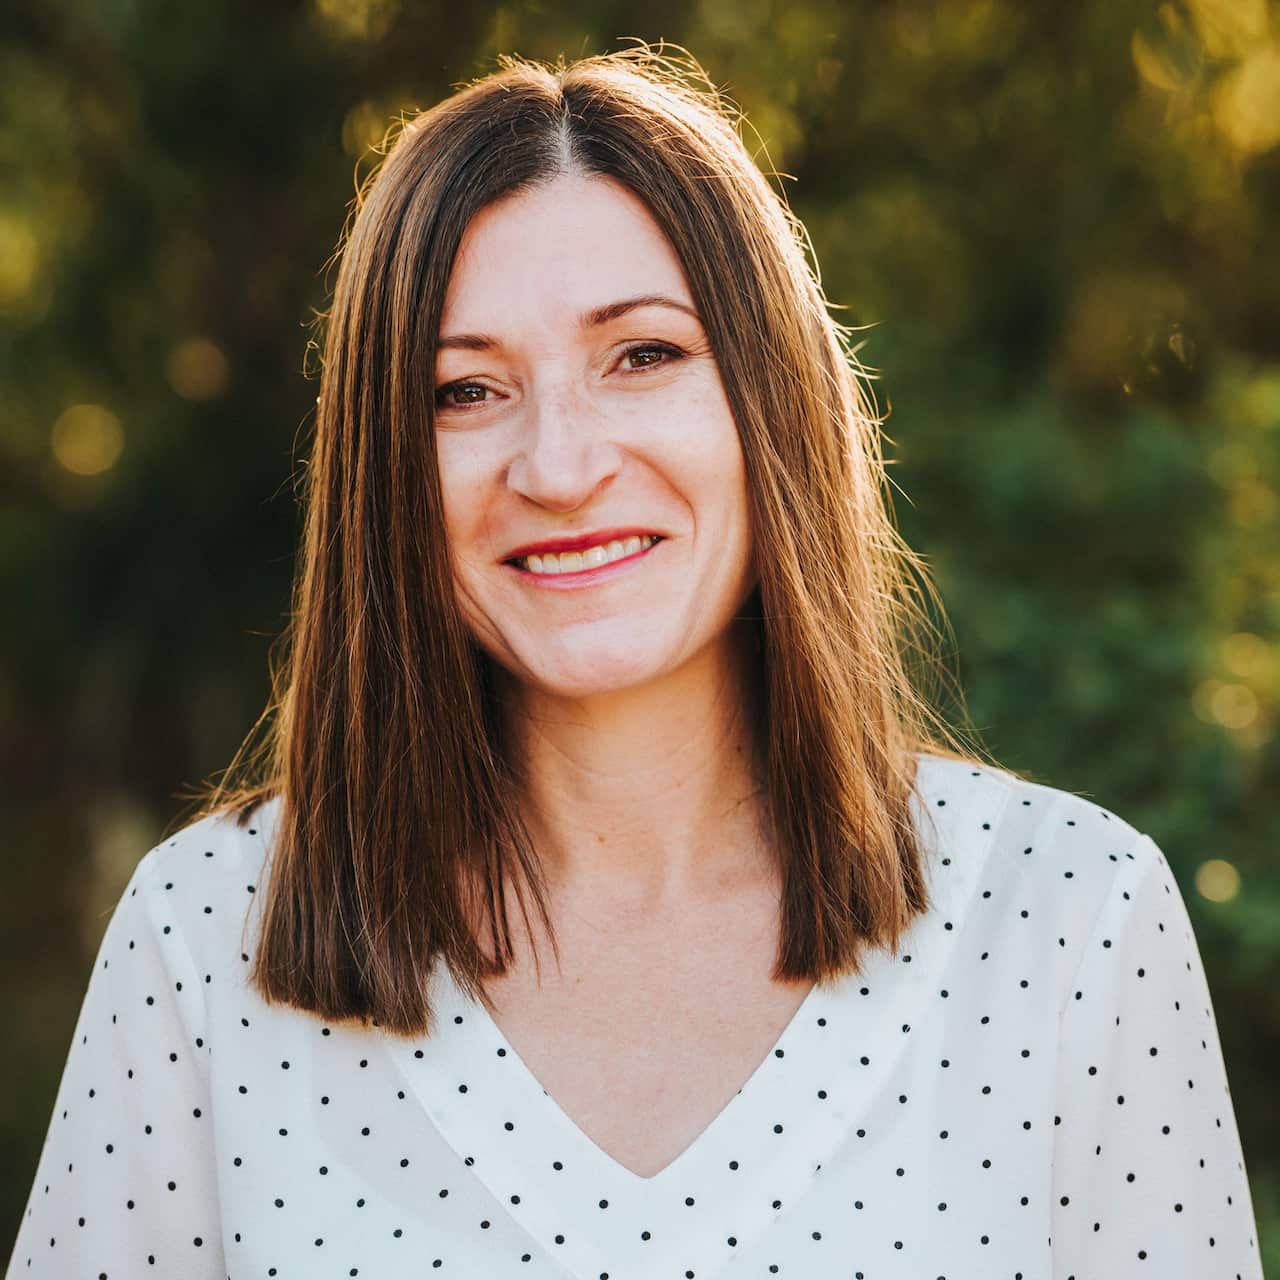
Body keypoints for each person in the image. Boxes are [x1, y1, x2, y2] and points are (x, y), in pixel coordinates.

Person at [6, 43, 1263, 1280]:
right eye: (463, 391)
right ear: (383, 467)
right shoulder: (207, 935)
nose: (558, 466)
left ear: (774, 401)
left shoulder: (1069, 918)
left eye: (644, 355)